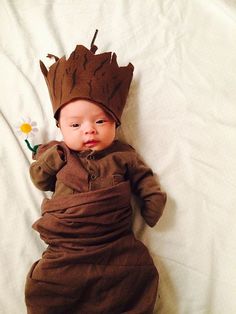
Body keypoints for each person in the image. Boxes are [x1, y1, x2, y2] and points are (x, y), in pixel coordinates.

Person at [25, 31, 167, 314]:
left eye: (100, 120)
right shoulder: (56, 153)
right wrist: (53, 156)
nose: (89, 129)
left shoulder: (123, 155)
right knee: (48, 285)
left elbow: (143, 179)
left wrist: (153, 202)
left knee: (137, 271)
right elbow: (40, 180)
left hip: (113, 242)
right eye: (75, 125)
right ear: (61, 129)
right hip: (67, 248)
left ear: (115, 123)